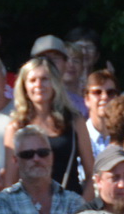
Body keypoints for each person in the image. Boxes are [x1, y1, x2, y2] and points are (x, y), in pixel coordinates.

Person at [7, 58, 92, 197]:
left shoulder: (75, 121)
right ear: (24, 86)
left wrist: (81, 208)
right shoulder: (15, 127)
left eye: (44, 79)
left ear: (55, 83)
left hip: (71, 208)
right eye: (32, 80)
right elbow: (10, 182)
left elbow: (91, 174)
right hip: (30, 210)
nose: (39, 85)